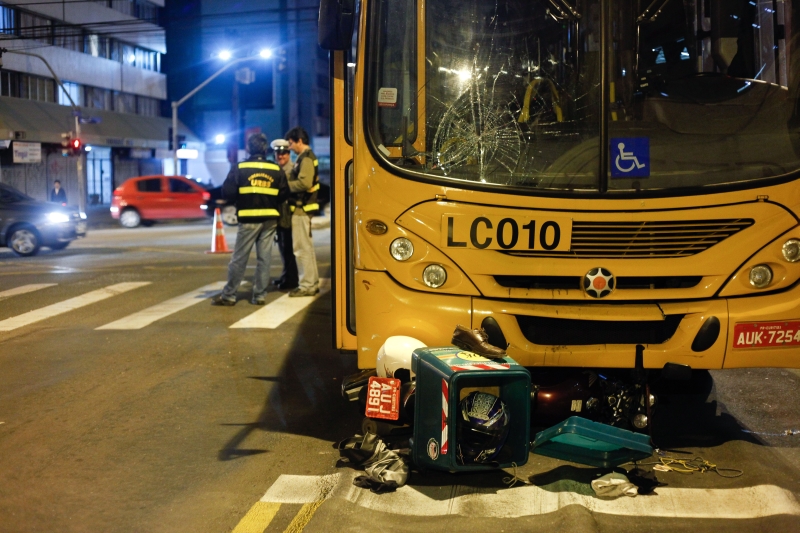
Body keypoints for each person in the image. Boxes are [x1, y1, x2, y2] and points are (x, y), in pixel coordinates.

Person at [211, 133, 289, 306]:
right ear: (265, 149)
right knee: (264, 258)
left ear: (248, 148)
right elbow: (284, 193)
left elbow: (227, 192)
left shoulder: (240, 168)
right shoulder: (276, 169)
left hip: (249, 219)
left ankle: (229, 295)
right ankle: (259, 295)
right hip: (270, 220)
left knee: (239, 258)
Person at [285, 126, 320, 297]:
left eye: (291, 143)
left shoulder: (305, 158)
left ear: (299, 141)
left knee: (301, 249)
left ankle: (307, 285)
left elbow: (304, 184)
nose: (289, 147)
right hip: (304, 208)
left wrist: (285, 186)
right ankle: (312, 283)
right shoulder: (306, 157)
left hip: (301, 209)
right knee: (307, 247)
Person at [269, 138, 298, 290]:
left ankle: (292, 279)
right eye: (278, 154)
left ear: (288, 154)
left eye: (284, 153)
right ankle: (286, 275)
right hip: (280, 214)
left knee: (289, 248)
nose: (281, 156)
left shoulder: (292, 170)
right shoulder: (276, 170)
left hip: (289, 215)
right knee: (282, 247)